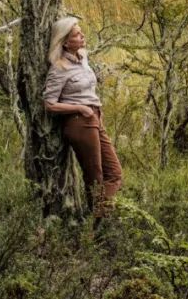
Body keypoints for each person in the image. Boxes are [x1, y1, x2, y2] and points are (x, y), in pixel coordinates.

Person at [42, 16, 123, 227]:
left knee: (114, 172)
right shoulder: (59, 68)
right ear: (65, 42)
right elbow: (50, 104)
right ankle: (97, 228)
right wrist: (79, 108)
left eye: (80, 32)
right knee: (94, 176)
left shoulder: (83, 57)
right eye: (77, 34)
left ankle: (101, 218)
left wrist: (95, 109)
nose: (82, 36)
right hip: (79, 121)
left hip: (94, 117)